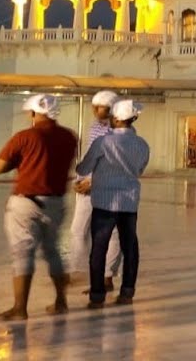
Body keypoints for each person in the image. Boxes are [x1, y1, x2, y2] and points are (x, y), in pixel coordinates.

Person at [0, 94, 78, 321]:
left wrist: (18, 160)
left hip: (26, 203)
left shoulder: (24, 137)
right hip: (56, 203)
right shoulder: (69, 137)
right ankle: (61, 302)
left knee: (22, 252)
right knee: (53, 251)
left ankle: (20, 308)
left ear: (32, 113)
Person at [76, 98, 150, 308]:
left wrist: (82, 169)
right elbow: (139, 170)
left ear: (116, 119)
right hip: (129, 203)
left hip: (104, 203)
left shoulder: (103, 142)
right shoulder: (142, 144)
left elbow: (84, 168)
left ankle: (97, 296)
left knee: (99, 249)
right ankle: (127, 293)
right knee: (130, 247)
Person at [67, 91, 122, 290]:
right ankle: (77, 269)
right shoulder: (95, 127)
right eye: (95, 107)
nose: (97, 111)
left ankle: (107, 276)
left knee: (111, 232)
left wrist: (93, 181)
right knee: (78, 230)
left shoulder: (120, 133)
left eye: (102, 108)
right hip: (88, 188)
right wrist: (80, 179)